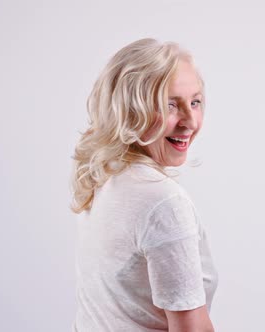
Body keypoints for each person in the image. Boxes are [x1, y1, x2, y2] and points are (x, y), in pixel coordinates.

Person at [70, 38, 217, 332]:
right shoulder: (164, 202)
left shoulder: (102, 176)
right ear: (129, 110)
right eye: (169, 104)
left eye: (195, 102)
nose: (190, 121)